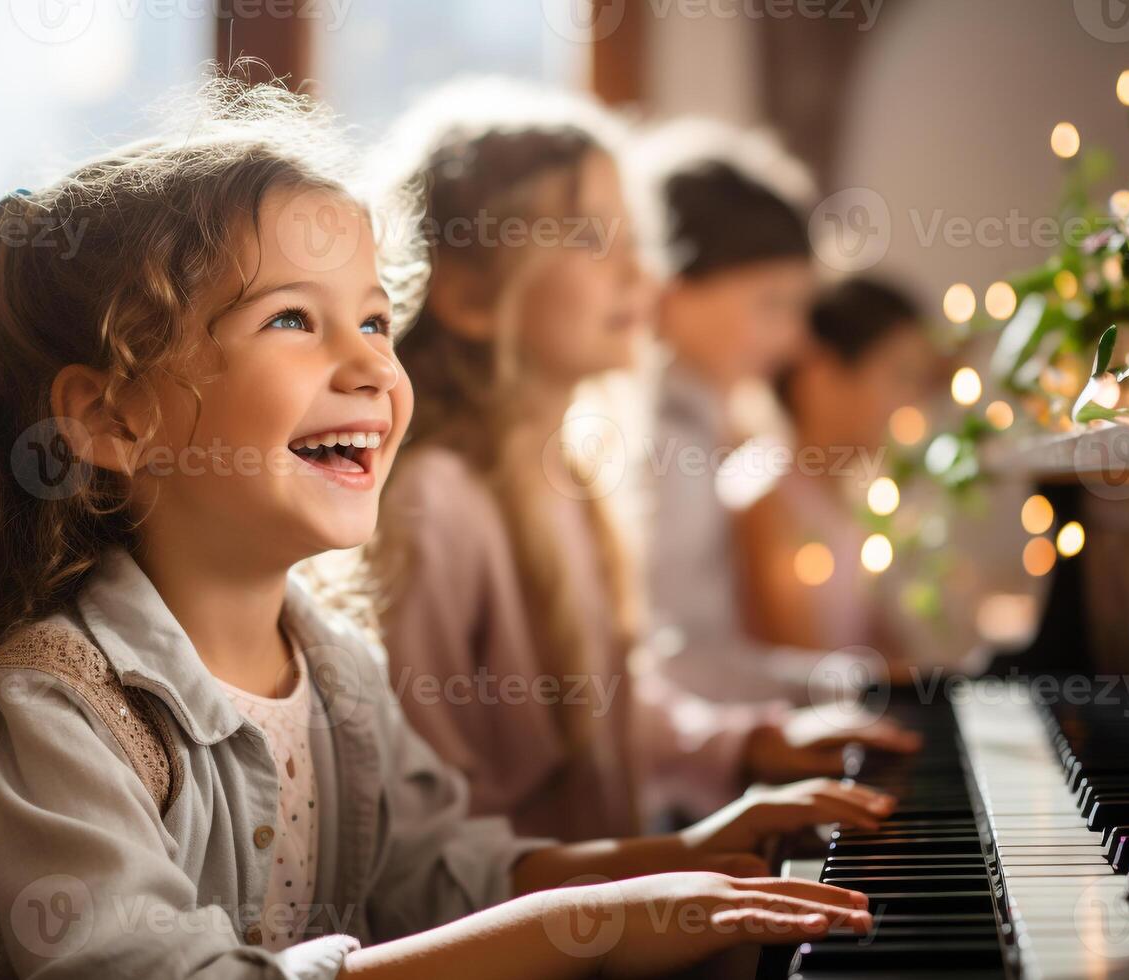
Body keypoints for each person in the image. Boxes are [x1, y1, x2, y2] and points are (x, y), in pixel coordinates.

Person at [0, 81, 893, 980]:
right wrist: (582, 925)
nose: (372, 361)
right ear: (112, 417)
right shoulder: (58, 701)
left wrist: (685, 852)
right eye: (292, 319)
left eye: (372, 317)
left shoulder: (338, 675)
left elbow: (447, 869)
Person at [370, 82, 916, 840]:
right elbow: (426, 838)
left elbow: (614, 707)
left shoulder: (571, 478)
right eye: (591, 238)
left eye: (637, 240)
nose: (642, 277)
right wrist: (677, 862)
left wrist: (744, 742)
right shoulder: (436, 503)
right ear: (468, 296)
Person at [632, 119, 843, 706]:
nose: (796, 341)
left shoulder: (702, 427)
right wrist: (839, 689)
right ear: (670, 289)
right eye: (770, 303)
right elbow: (673, 665)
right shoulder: (659, 447)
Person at [737, 277, 936, 655]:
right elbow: (804, 669)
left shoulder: (852, 498)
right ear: (821, 376)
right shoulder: (765, 500)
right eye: (900, 376)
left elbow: (883, 650)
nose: (913, 405)